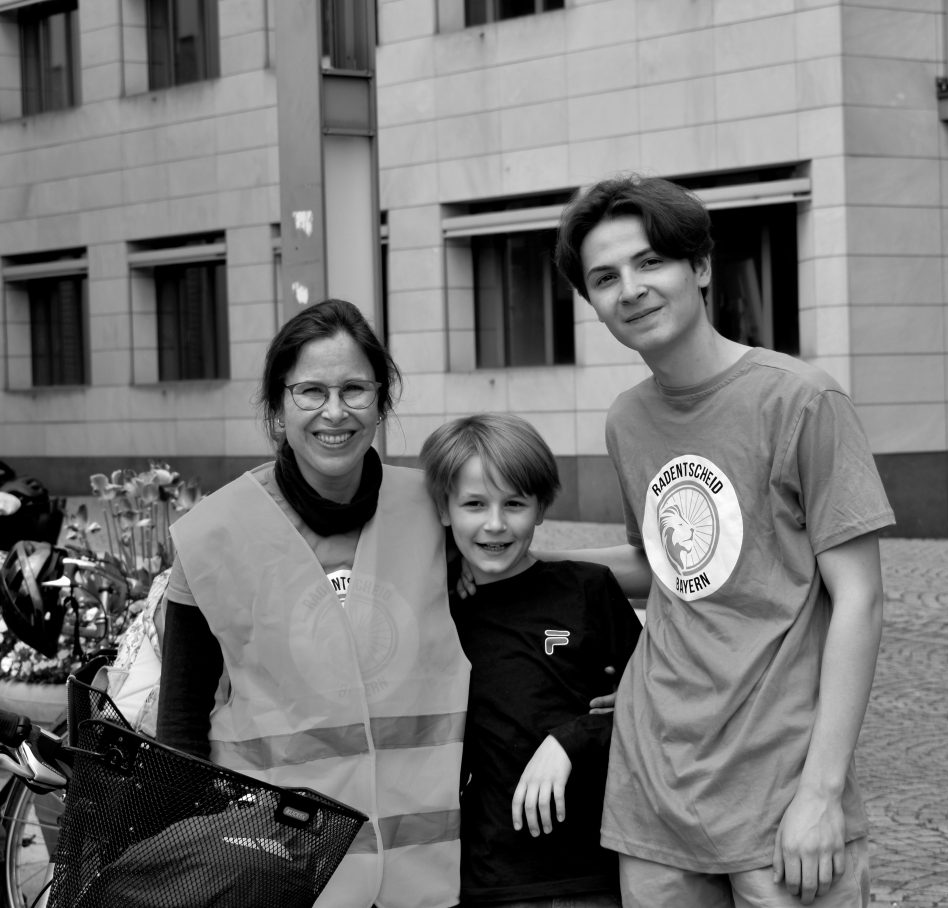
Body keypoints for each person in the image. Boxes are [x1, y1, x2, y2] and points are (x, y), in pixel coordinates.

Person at [551, 175, 896, 907]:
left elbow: (860, 600)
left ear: (699, 268)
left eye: (650, 263)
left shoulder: (802, 399)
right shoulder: (627, 420)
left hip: (777, 790)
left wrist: (822, 794)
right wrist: (530, 565)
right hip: (653, 788)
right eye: (604, 279)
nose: (631, 289)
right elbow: (667, 567)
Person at [156, 298, 471, 908]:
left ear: (382, 402)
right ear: (277, 409)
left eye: (355, 389)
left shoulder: (435, 514)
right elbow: (181, 726)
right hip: (278, 873)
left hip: (424, 874)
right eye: (309, 392)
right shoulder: (212, 534)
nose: (335, 412)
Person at [420, 414, 642, 908]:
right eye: (474, 504)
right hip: (482, 876)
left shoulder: (587, 590)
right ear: (444, 508)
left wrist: (570, 741)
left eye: (514, 504)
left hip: (593, 873)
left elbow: (650, 704)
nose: (495, 523)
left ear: (541, 508)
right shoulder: (434, 605)